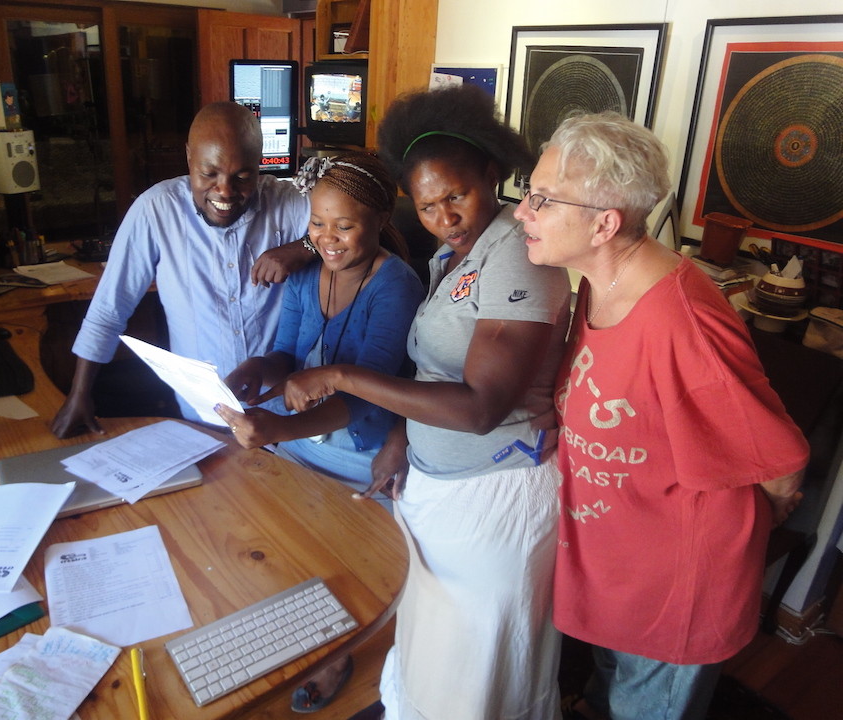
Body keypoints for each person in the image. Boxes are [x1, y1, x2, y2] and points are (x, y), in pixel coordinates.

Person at [278, 84, 573, 720]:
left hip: (495, 489)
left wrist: (342, 376)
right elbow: (432, 369)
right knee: (433, 647)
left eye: (456, 196)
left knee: (478, 667)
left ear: (491, 174)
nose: (445, 217)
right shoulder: (455, 254)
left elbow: (479, 408)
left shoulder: (518, 257)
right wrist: (400, 437)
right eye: (428, 204)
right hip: (440, 481)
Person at [514, 111, 809, 720]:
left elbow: (780, 460)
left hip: (675, 579)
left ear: (604, 223)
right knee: (606, 684)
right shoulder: (600, 281)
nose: (522, 211)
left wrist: (769, 507)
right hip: (619, 556)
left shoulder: (681, 323)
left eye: (541, 198)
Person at [215, 152, 424, 713]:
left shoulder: (395, 286)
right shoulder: (309, 273)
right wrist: (257, 368)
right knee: (290, 544)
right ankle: (302, 626)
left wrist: (281, 429)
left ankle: (335, 651)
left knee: (347, 562)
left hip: (360, 451)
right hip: (305, 444)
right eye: (317, 224)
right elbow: (288, 351)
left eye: (344, 226)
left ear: (381, 220)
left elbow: (363, 396)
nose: (327, 239)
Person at [51, 102, 312, 438]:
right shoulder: (156, 210)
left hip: (285, 420)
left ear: (259, 163)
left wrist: (304, 247)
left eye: (242, 177)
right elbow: (109, 308)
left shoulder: (290, 203)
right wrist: (80, 393)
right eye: (209, 174)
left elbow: (362, 221)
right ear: (189, 157)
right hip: (203, 419)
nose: (224, 191)